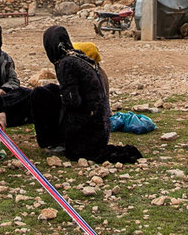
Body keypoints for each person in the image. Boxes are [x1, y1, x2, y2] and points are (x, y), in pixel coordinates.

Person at [41, 25, 141, 164]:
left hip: (89, 134)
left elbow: (72, 101)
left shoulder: (66, 63)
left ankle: (56, 142)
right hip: (101, 129)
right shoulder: (78, 56)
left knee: (45, 96)